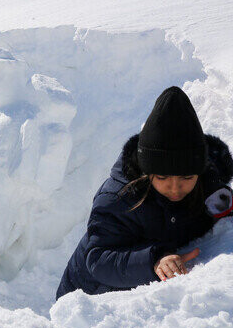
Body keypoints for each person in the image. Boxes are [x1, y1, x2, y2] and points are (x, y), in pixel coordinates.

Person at [56, 86, 233, 299]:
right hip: (90, 297)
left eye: (187, 178)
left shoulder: (210, 186)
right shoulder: (119, 199)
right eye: (162, 178)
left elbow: (222, 210)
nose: (175, 188)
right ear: (146, 172)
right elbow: (98, 260)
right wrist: (155, 259)